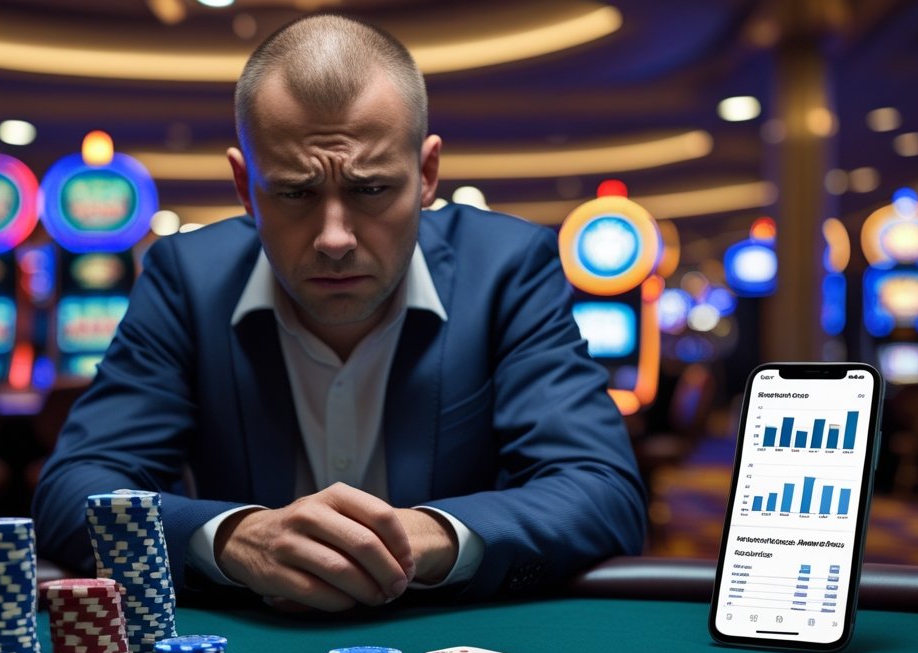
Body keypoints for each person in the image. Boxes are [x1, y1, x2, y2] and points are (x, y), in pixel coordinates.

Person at [32, 13, 646, 612]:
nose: (334, 238)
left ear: (426, 173)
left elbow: (601, 491)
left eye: (370, 188)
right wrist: (233, 537)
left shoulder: (507, 268)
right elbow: (74, 488)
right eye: (295, 192)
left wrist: (422, 538)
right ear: (245, 187)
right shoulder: (186, 278)